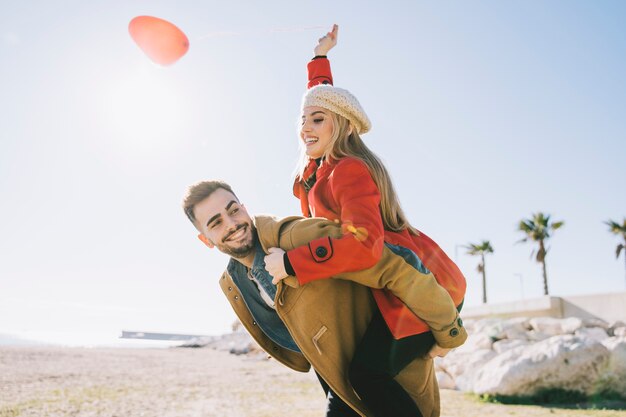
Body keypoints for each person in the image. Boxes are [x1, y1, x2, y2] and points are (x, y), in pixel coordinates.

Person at [264, 25, 467, 417]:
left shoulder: (349, 169)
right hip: (384, 286)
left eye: (317, 120)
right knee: (338, 378)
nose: (304, 127)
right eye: (302, 119)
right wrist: (320, 58)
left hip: (420, 285)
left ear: (340, 125)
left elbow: (363, 246)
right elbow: (322, 97)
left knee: (365, 375)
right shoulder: (319, 168)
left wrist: (292, 263)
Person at [182, 180, 466, 417]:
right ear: (205, 239)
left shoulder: (296, 236)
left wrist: (448, 331)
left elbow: (391, 264)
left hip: (387, 377)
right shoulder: (236, 282)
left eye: (233, 210)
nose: (232, 224)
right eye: (216, 223)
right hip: (338, 381)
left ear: (244, 208)